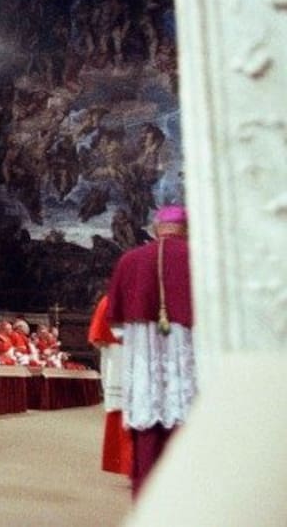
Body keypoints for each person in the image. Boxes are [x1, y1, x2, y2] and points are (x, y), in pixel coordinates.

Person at [107, 204, 196, 497]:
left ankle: (148, 496)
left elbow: (117, 325)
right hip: (189, 348)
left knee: (148, 420)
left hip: (143, 353)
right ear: (185, 229)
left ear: (157, 228)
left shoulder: (129, 260)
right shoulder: (201, 259)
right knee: (187, 413)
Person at [89, 294, 132, 476]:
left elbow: (98, 338)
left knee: (121, 406)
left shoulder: (111, 299)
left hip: (118, 357)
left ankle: (127, 463)